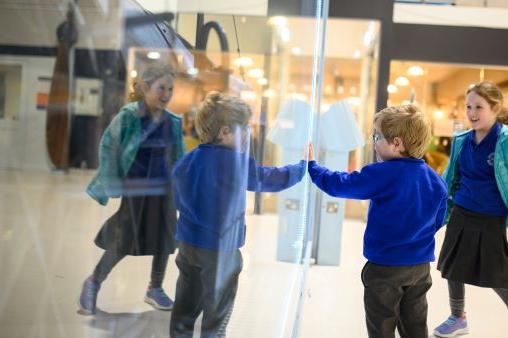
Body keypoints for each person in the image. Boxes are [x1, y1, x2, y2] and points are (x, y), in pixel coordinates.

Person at [169, 91, 305, 337]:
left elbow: (176, 193)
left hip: (188, 243)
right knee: (217, 310)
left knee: (185, 305)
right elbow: (266, 178)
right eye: (244, 128)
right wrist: (300, 169)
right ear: (225, 132)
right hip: (221, 249)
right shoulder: (234, 162)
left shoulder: (188, 160)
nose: (248, 135)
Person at [307, 104, 448, 338]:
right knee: (415, 326)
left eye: (377, 136)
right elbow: (438, 219)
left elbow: (342, 184)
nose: (373, 142)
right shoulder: (434, 179)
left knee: (381, 326)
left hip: (385, 269)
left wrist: (314, 168)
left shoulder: (382, 173)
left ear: (397, 143)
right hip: (419, 268)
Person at [79, 63, 185, 315]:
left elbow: (180, 160)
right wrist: (111, 181)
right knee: (123, 239)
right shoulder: (129, 116)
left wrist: (185, 189)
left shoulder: (173, 121)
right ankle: (93, 282)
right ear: (146, 88)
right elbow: (108, 146)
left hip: (165, 190)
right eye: (161, 88)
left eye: (170, 89)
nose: (166, 94)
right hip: (136, 190)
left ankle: (155, 288)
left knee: (165, 238)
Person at [434, 81, 508, 337]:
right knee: (453, 267)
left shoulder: (505, 141)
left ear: (495, 108)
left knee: (497, 276)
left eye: (479, 106)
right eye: (468, 106)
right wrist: (440, 214)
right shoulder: (461, 141)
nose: (472, 112)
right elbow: (450, 179)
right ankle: (457, 317)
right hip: (462, 212)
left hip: (491, 218)